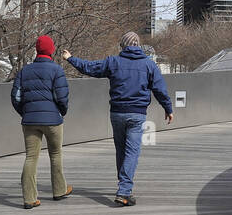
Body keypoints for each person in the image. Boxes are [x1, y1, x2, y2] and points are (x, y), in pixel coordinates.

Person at [63, 32, 174, 206]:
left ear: (123, 46)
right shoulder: (149, 65)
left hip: (117, 113)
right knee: (132, 152)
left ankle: (123, 185)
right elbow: (160, 89)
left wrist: (71, 58)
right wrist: (168, 108)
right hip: (137, 114)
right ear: (138, 46)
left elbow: (90, 68)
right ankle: (124, 190)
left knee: (121, 150)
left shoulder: (113, 62)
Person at [11, 35, 72, 209]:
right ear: (51, 50)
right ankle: (59, 191)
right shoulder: (57, 70)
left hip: (29, 120)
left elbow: (15, 97)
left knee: (31, 157)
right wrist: (62, 112)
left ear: (37, 50)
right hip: (53, 120)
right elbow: (62, 96)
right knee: (55, 154)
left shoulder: (25, 71)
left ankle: (29, 198)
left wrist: (25, 112)